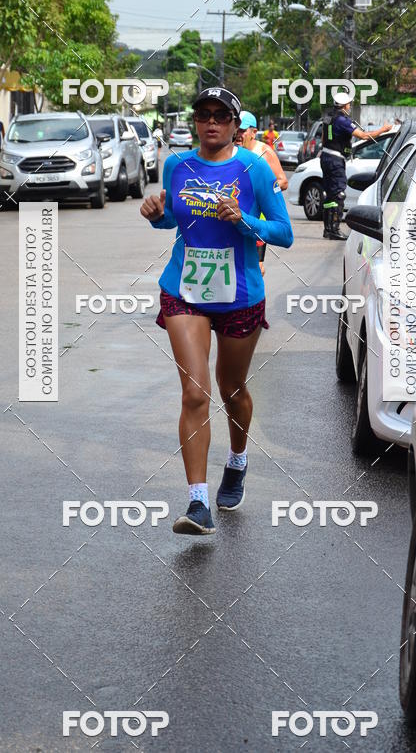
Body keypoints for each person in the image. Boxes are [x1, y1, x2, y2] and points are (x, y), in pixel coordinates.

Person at [140, 87, 294, 535]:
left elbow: (283, 233)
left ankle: (238, 460)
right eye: (203, 115)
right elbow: (174, 220)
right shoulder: (177, 165)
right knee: (194, 393)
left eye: (221, 116)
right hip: (184, 291)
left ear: (235, 123)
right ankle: (197, 503)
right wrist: (156, 213)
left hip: (240, 294)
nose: (211, 123)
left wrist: (244, 221)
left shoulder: (254, 168)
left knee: (232, 389)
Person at [321, 92, 392, 241]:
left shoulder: (329, 117)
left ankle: (328, 229)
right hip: (335, 159)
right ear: (345, 105)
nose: (350, 106)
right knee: (339, 194)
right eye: (349, 104)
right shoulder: (342, 120)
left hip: (326, 157)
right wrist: (384, 130)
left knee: (329, 194)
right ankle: (334, 229)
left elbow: (323, 138)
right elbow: (364, 136)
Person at [235, 110, 288, 276]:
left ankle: (255, 297)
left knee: (256, 265)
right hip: (236, 215)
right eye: (235, 128)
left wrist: (260, 190)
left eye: (242, 130)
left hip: (257, 220)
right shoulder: (231, 151)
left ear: (254, 132)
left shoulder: (264, 152)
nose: (238, 134)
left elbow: (283, 181)